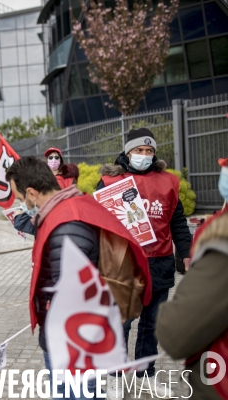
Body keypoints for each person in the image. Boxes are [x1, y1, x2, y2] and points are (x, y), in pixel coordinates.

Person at [5, 156, 151, 400]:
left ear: (31, 193)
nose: (21, 204)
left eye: (20, 198)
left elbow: (71, 294)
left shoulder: (66, 222)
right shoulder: (67, 207)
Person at [97, 128, 192, 398]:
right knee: (122, 324)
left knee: (152, 324)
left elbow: (178, 224)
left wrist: (186, 252)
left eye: (149, 151)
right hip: (124, 264)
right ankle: (115, 376)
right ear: (128, 152)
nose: (144, 155)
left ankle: (145, 374)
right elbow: (98, 223)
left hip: (160, 263)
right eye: (139, 150)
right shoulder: (110, 182)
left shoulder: (169, 182)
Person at [156, 212, 227, 399]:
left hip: (219, 383)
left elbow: (176, 334)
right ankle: (122, 374)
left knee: (149, 325)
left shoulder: (222, 243)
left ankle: (144, 374)